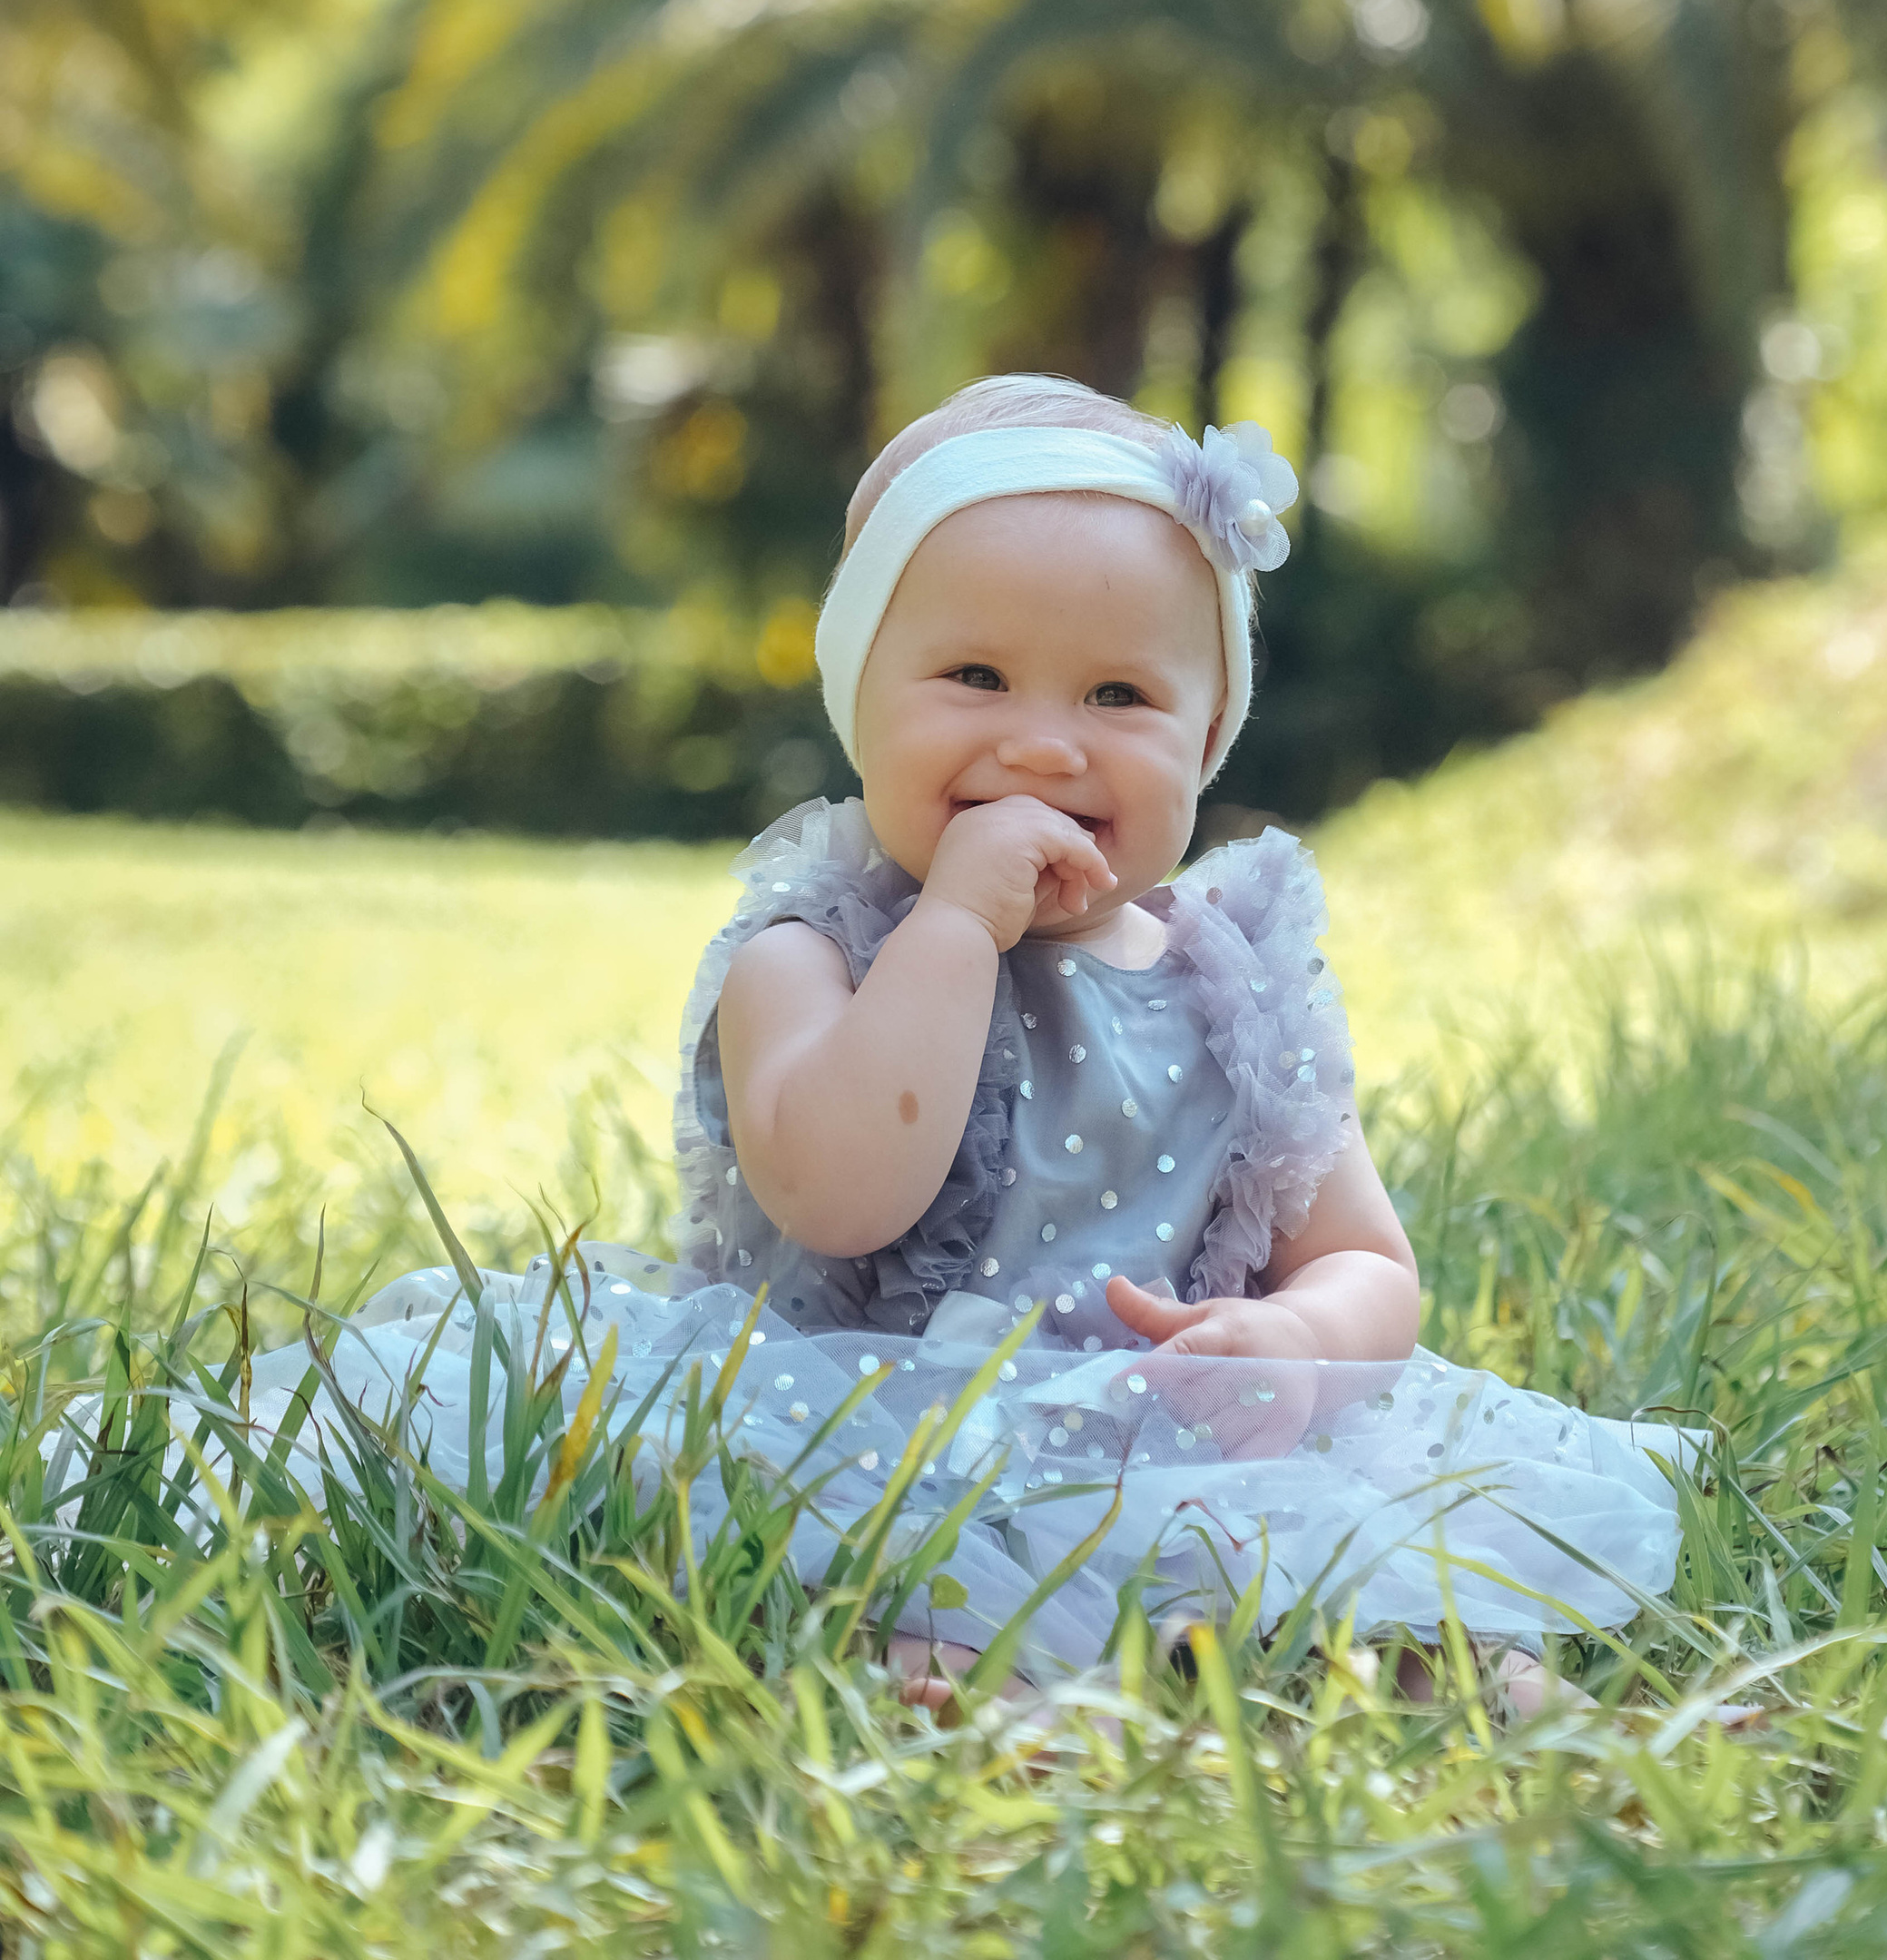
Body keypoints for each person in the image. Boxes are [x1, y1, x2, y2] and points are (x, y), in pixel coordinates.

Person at [128, 375, 1692, 1719]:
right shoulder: (814, 955)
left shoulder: (1237, 982)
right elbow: (842, 1195)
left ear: (1210, 740)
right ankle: (985, 1694)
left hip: (1167, 1431)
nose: (1042, 740)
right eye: (974, 678)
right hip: (869, 1425)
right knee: (893, 1575)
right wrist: (955, 926)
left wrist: (1299, 1344)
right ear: (860, 704)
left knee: (1364, 1561)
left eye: (1122, 695)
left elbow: (1368, 1262)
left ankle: (1436, 1682)